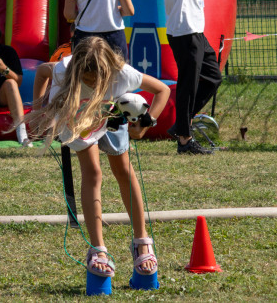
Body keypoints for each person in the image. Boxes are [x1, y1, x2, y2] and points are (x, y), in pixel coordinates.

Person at [26, 38, 170, 280]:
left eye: (97, 78)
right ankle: (98, 249)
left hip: (111, 117)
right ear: (76, 71)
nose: (92, 82)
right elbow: (41, 72)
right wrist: (39, 109)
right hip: (80, 120)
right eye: (86, 78)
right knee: (93, 173)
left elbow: (162, 90)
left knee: (123, 170)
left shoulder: (122, 74)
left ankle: (142, 241)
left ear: (109, 71)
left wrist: (145, 123)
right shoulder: (63, 70)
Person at [161, 0, 223, 155]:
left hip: (195, 30)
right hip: (183, 30)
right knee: (188, 84)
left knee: (213, 77)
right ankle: (185, 141)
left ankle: (181, 125)